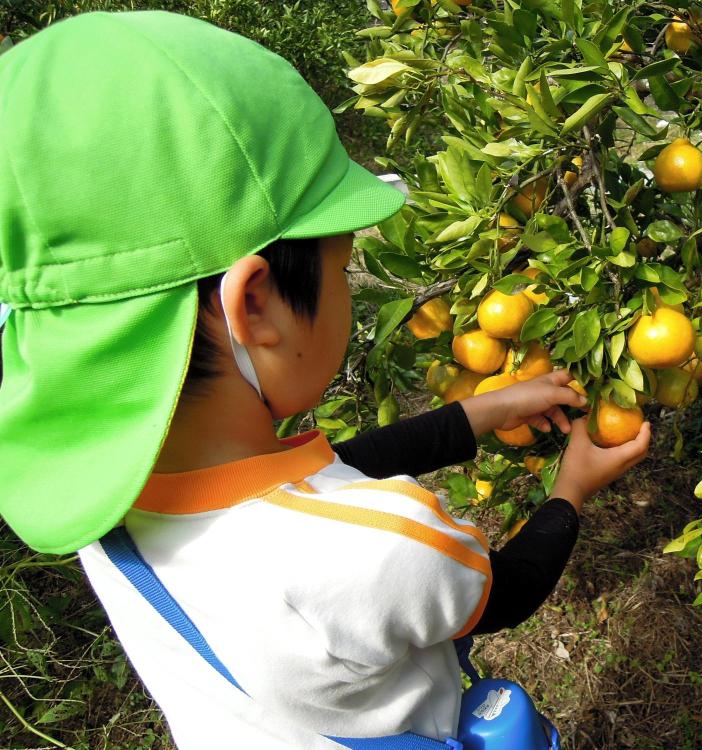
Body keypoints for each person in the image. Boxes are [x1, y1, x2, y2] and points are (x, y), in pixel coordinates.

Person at [0, 10, 650, 749]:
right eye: (341, 268)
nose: (345, 286)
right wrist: (571, 490)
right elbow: (508, 592)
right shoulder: (384, 547)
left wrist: (484, 410)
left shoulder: (105, 504)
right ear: (255, 305)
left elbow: (333, 473)